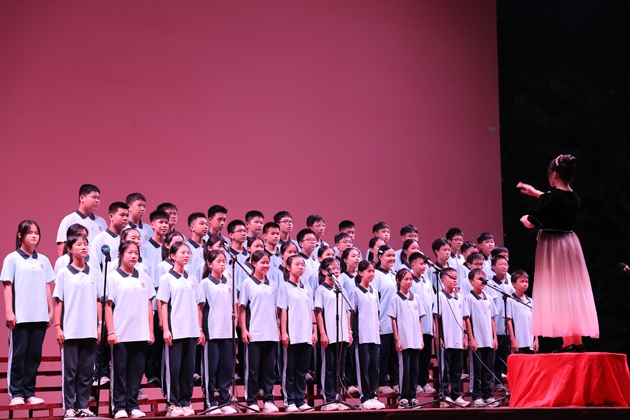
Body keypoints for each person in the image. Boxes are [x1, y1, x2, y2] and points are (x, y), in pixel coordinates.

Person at [518, 154, 599, 351]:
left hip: (554, 246)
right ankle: (577, 341)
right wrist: (536, 193)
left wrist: (523, 218)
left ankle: (568, 342)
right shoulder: (574, 197)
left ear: (554, 174)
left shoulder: (551, 199)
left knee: (558, 290)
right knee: (571, 290)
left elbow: (532, 222)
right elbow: (555, 199)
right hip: (570, 244)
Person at [2, 220, 55, 406]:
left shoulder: (43, 260)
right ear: (20, 235)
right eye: (30, 232)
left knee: (34, 357)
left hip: (39, 317)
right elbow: (7, 286)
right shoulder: (12, 259)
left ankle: (29, 392)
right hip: (20, 317)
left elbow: (47, 286)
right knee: (18, 356)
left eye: (36, 232)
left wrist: (50, 310)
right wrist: (9, 312)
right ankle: (16, 393)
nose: (34, 236)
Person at [53, 233, 102, 418]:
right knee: (70, 372)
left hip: (89, 330)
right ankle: (69, 407)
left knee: (87, 372)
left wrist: (99, 324)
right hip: (71, 330)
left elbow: (98, 300)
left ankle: (82, 406)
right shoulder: (64, 273)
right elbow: (59, 301)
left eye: (85, 244)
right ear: (69, 249)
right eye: (79, 244)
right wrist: (58, 326)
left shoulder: (94, 272)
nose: (83, 247)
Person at [105, 240, 155, 419]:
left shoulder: (144, 277)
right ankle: (118, 406)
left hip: (140, 333)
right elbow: (108, 306)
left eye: (136, 253)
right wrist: (111, 331)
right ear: (120, 254)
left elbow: (149, 305)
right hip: (121, 333)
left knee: (136, 372)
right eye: (129, 252)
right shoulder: (112, 277)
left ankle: (132, 404)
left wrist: (150, 331)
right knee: (119, 371)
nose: (134, 256)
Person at [157, 242, 204, 417]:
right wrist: (166, 329)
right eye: (182, 252)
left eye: (188, 253)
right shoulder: (166, 278)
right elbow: (163, 304)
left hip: (191, 331)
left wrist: (199, 328)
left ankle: (186, 401)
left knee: (188, 370)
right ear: (172, 256)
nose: (186, 255)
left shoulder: (192, 279)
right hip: (175, 331)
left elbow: (198, 305)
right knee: (174, 369)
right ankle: (173, 402)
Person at [239, 250, 280, 413]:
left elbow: (275, 308)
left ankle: (269, 400)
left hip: (271, 333)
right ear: (254, 264)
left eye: (267, 262)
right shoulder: (247, 283)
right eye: (262, 262)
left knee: (269, 370)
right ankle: (252, 401)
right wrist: (244, 330)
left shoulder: (273, 284)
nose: (266, 265)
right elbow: (242, 309)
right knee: (253, 370)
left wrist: (277, 328)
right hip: (254, 333)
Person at [198, 250, 238, 415]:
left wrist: (235, 327)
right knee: (211, 368)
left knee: (226, 368)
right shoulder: (205, 283)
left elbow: (234, 306)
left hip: (228, 331)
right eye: (218, 261)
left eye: (224, 261)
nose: (222, 264)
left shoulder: (230, 283)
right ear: (209, 264)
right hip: (212, 332)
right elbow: (200, 308)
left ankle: (224, 401)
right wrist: (200, 330)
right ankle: (210, 403)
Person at [277, 255, 317, 412]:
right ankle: (290, 401)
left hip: (306, 335)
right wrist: (284, 332)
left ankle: (301, 400)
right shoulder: (284, 287)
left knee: (302, 371)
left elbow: (312, 310)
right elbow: (283, 311)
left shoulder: (307, 288)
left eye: (302, 265)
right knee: (290, 370)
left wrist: (314, 330)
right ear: (288, 267)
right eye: (297, 264)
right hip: (292, 335)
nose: (301, 267)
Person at [314, 258, 352, 411]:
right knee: (329, 367)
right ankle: (328, 398)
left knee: (339, 368)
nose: (336, 271)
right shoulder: (321, 290)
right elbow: (318, 312)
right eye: (333, 268)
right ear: (324, 271)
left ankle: (338, 396)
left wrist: (349, 331)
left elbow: (346, 311)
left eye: (338, 268)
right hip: (329, 334)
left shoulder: (340, 289)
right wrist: (322, 333)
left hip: (342, 334)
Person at [349, 261, 385, 410]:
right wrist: (350, 331)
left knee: (374, 367)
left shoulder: (374, 292)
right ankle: (364, 397)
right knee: (363, 367)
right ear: (360, 273)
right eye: (368, 271)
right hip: (362, 336)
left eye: (373, 271)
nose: (372, 274)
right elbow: (352, 314)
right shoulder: (355, 291)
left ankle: (373, 395)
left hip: (374, 336)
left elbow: (377, 313)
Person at [388, 268, 425, 409]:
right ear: (398, 280)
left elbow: (420, 320)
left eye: (410, 279)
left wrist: (421, 338)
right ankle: (403, 397)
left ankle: (412, 396)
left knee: (414, 369)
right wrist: (397, 339)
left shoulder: (416, 298)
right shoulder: (395, 298)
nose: (409, 282)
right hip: (404, 340)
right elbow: (393, 320)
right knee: (405, 369)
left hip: (415, 340)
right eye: (406, 279)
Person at [464, 269, 500, 408]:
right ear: (471, 281)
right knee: (477, 370)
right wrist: (471, 338)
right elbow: (467, 319)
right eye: (479, 279)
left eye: (484, 278)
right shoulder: (469, 298)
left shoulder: (489, 298)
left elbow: (492, 319)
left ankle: (488, 395)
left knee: (488, 370)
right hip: (477, 341)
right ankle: (477, 396)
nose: (483, 281)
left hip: (488, 340)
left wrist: (495, 337)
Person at [434, 267, 469, 407]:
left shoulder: (460, 297)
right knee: (445, 369)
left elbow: (464, 319)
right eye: (451, 277)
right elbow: (436, 318)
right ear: (443, 281)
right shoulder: (440, 296)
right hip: (446, 339)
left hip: (458, 339)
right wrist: (438, 336)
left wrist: (465, 337)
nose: (455, 280)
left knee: (457, 369)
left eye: (456, 277)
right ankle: (445, 395)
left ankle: (457, 394)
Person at [372, 245, 398, 395]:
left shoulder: (395, 274)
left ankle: (395, 382)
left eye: (393, 255)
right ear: (380, 257)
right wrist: (376, 321)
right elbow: (375, 299)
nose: (392, 258)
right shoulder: (376, 275)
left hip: (396, 323)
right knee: (383, 355)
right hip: (383, 322)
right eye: (388, 255)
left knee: (395, 355)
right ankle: (382, 383)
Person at [409, 252, 436, 394]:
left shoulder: (427, 281)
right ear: (412, 265)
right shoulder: (410, 281)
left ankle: (424, 382)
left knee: (426, 357)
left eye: (425, 263)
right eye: (421, 263)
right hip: (415, 326)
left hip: (428, 325)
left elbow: (432, 303)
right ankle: (415, 383)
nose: (424, 266)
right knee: (416, 357)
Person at [56, 184, 108, 256]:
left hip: (98, 262)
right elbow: (62, 248)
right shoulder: (69, 220)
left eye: (98, 198)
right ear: (82, 198)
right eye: (93, 197)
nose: (97, 201)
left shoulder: (101, 221)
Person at [89, 202, 130, 269]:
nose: (125, 218)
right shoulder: (100, 238)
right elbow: (94, 265)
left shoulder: (128, 239)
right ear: (111, 217)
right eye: (122, 215)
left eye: (127, 216)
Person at [506, 270, 538, 354]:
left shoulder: (530, 301)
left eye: (526, 282)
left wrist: (536, 339)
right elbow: (509, 321)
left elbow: (535, 321)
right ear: (514, 284)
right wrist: (513, 340)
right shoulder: (510, 300)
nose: (525, 284)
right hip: (519, 342)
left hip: (531, 341)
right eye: (522, 281)